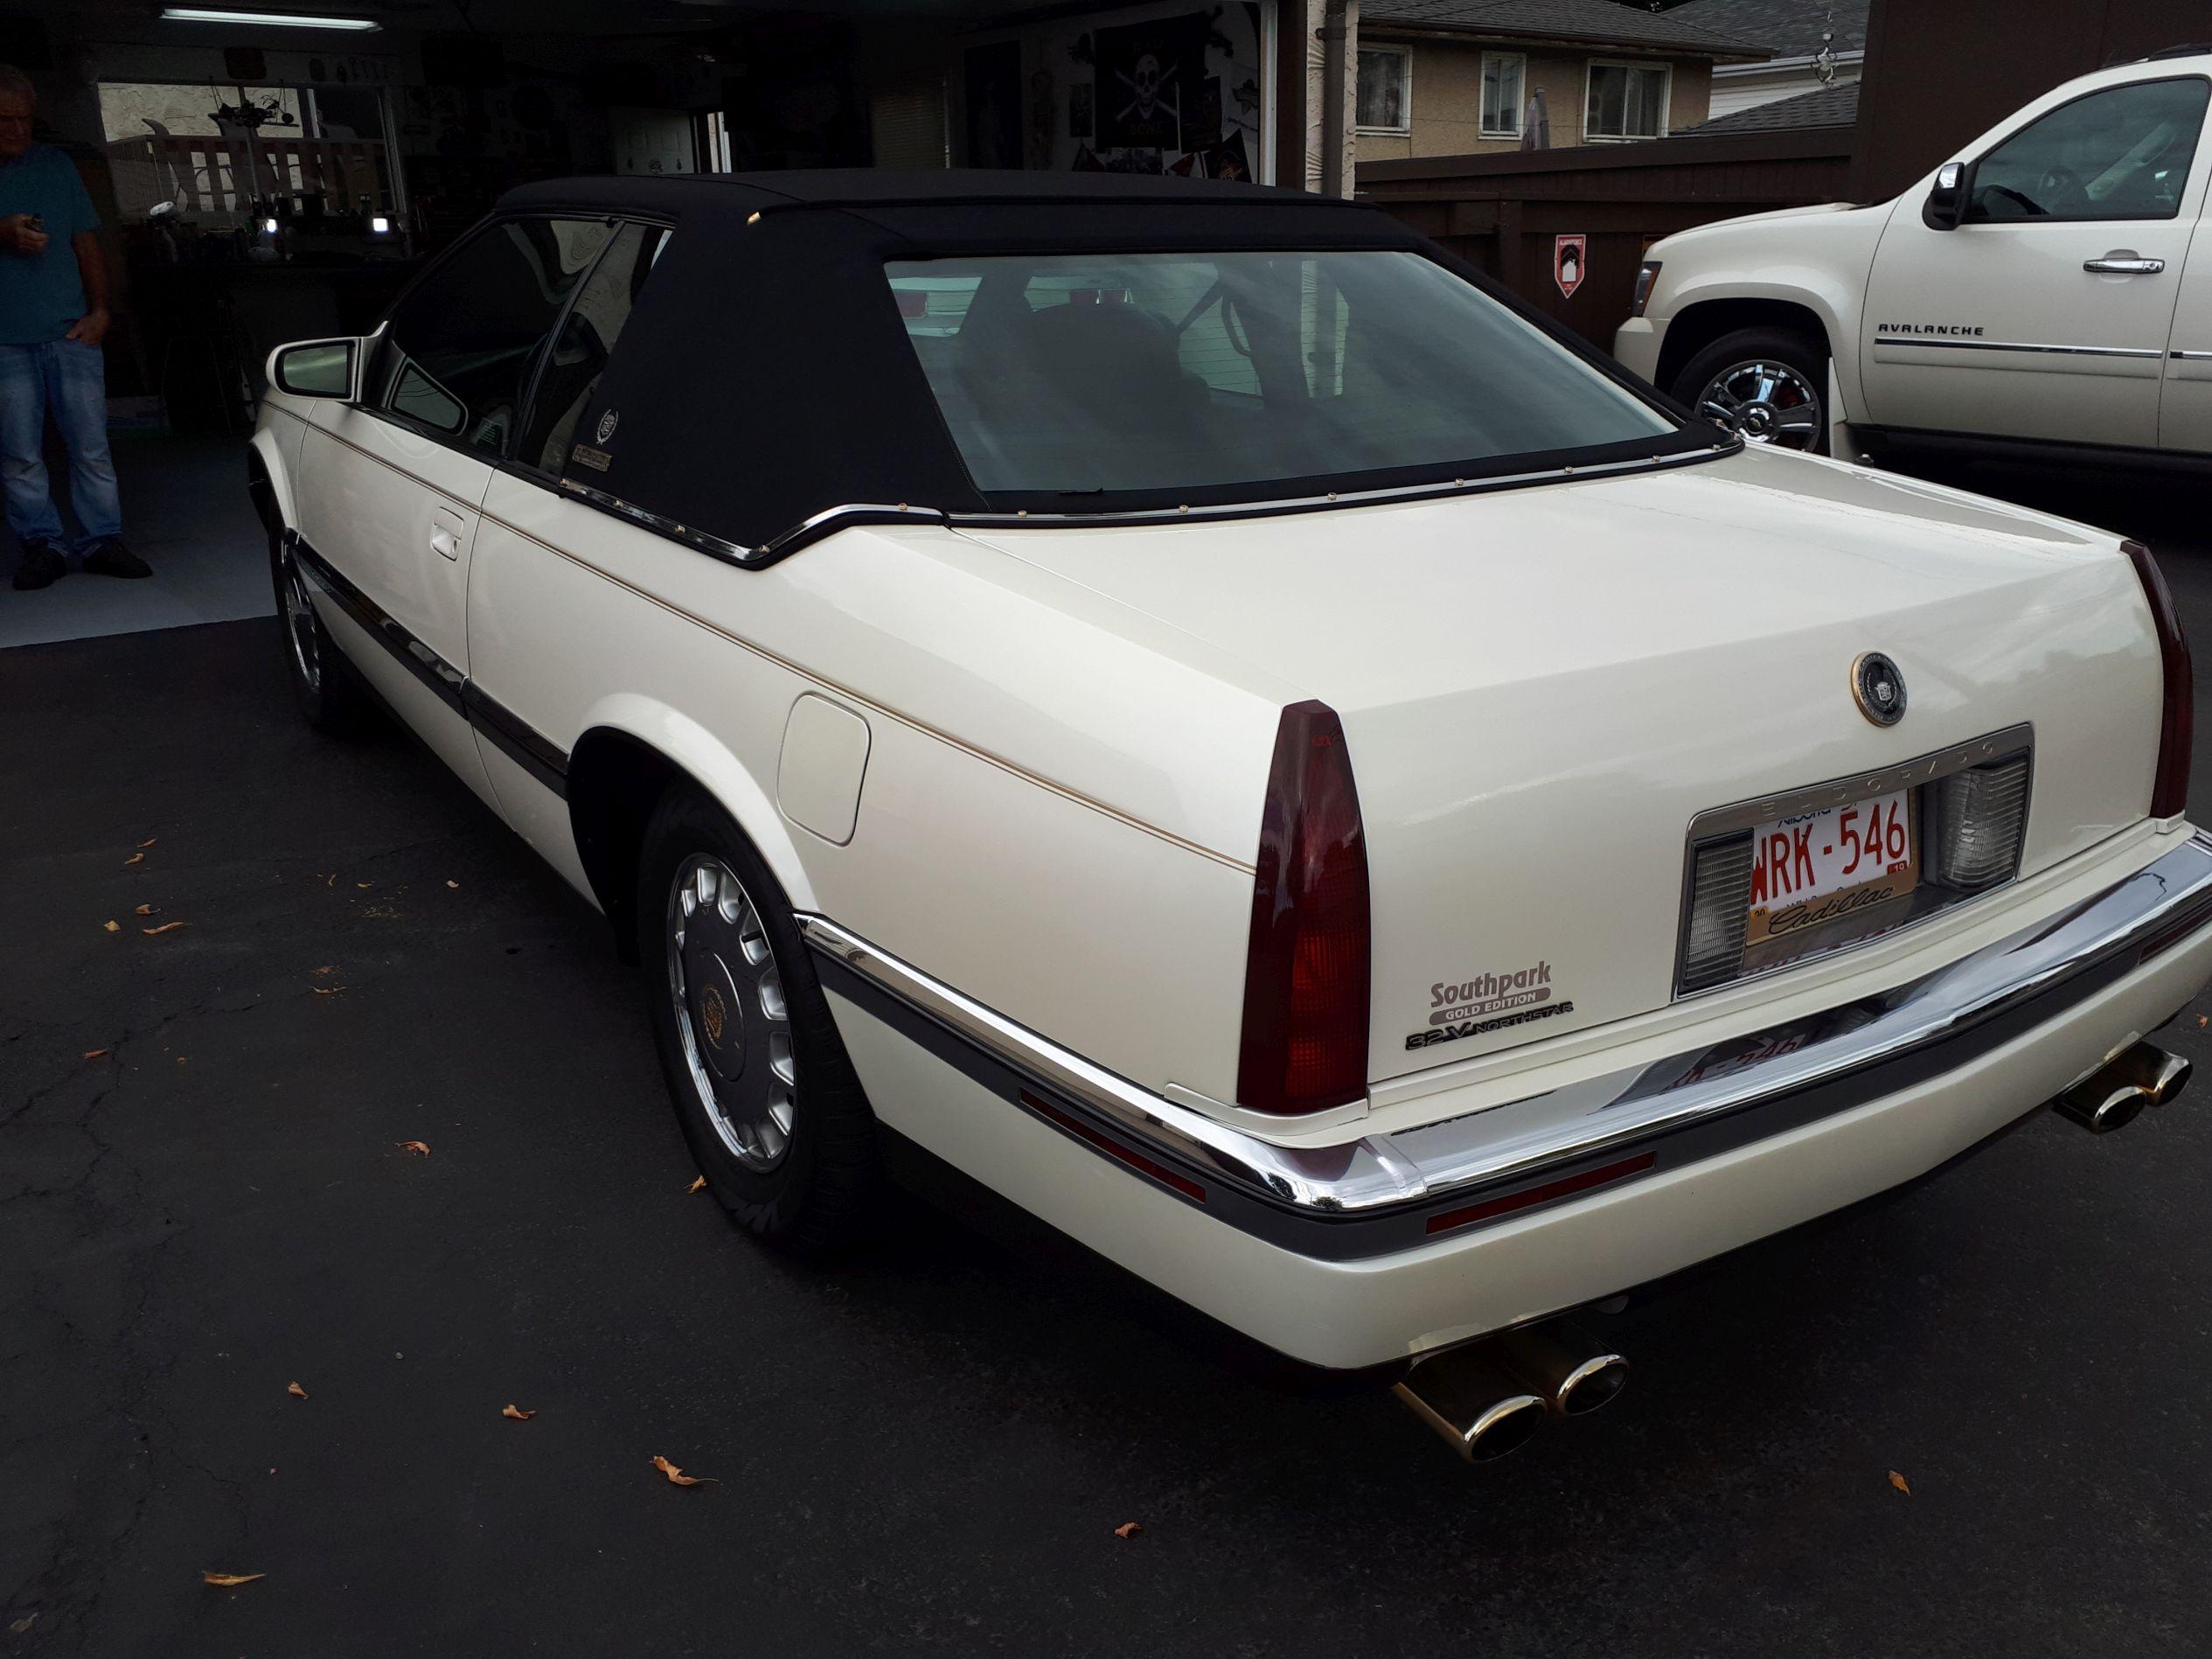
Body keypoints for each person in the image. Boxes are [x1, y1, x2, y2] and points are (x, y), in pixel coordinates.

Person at [0, 64, 143, 591]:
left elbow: (88, 242)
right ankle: (44, 545)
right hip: (4, 340)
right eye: (4, 120)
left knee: (91, 446)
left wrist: (101, 312)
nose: (17, 130)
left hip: (71, 332)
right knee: (19, 455)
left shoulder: (56, 164)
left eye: (24, 120)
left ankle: (102, 541)